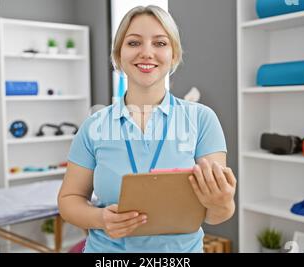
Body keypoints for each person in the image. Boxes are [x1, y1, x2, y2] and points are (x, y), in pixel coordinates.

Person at [58, 5, 236, 253]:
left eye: (160, 43)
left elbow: (216, 215)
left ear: (173, 55)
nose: (146, 53)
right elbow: (68, 201)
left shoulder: (202, 119)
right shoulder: (94, 126)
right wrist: (101, 219)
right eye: (133, 43)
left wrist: (222, 202)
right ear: (118, 55)